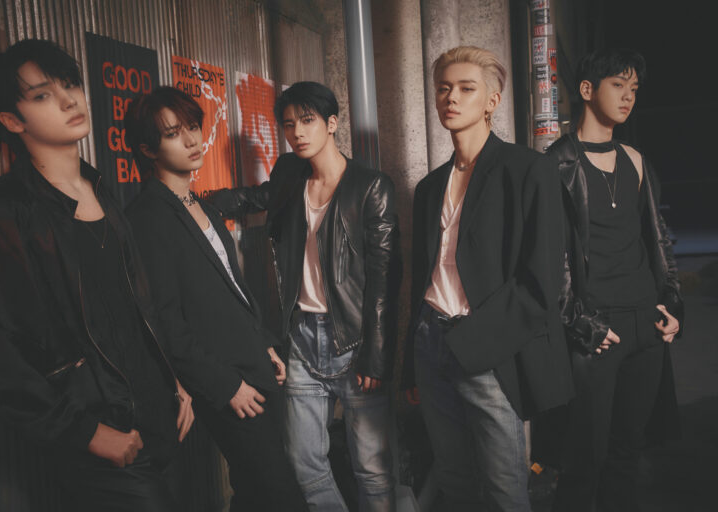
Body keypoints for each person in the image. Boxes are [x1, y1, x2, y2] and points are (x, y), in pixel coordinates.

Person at [0, 39, 194, 511]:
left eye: (70, 85)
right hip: (99, 434)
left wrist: (175, 382)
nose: (69, 100)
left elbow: (136, 304)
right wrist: (84, 433)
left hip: (159, 416)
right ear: (12, 120)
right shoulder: (0, 214)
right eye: (43, 94)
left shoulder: (101, 189)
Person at [208, 81, 402, 511]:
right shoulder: (289, 174)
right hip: (302, 338)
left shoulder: (371, 187)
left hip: (354, 340)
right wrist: (197, 203)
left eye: (307, 120)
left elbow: (385, 280)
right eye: (288, 124)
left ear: (332, 123)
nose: (297, 132)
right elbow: (256, 197)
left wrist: (376, 355)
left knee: (372, 468)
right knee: (304, 463)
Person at [402, 46, 572, 512]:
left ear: (492, 101)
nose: (451, 98)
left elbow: (541, 281)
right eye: (443, 89)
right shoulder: (429, 187)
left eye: (465, 88)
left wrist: (473, 345)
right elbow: (422, 278)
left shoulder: (528, 169)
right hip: (430, 342)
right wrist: (411, 364)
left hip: (487, 350)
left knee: (503, 488)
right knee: (454, 481)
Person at [124, 86, 308, 511]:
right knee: (281, 495)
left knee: (255, 491)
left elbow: (233, 289)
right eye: (173, 133)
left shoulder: (200, 205)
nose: (192, 140)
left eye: (193, 126)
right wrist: (226, 387)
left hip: (253, 364)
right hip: (227, 382)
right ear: (148, 149)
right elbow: (166, 322)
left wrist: (264, 343)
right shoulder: (147, 218)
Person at [548, 48, 683, 512]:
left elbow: (657, 238)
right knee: (583, 457)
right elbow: (552, 258)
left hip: (646, 322)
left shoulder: (635, 159)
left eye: (634, 89)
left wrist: (671, 305)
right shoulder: (557, 163)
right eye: (617, 85)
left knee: (627, 453)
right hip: (597, 330)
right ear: (587, 90)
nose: (628, 97)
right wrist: (580, 323)